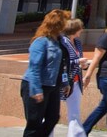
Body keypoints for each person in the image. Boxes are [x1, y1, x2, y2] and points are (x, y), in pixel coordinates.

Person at [21, 9, 72, 137]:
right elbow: (34, 67)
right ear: (57, 23)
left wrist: (65, 82)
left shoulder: (60, 41)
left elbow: (62, 64)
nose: (67, 24)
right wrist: (36, 89)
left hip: (53, 86)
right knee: (34, 123)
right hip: (36, 85)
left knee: (53, 118)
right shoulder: (41, 41)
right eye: (65, 21)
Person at [56, 19, 88, 137]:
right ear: (74, 29)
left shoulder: (78, 43)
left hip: (75, 82)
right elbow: (63, 61)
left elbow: (79, 61)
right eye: (80, 28)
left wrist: (84, 66)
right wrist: (77, 61)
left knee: (74, 113)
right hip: (63, 82)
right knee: (52, 113)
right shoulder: (63, 42)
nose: (82, 30)